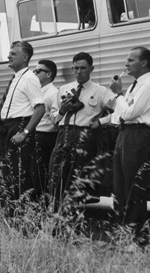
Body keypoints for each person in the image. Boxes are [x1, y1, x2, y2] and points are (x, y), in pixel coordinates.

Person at [49, 52, 118, 209]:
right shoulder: (64, 90)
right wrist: (62, 110)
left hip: (84, 136)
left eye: (83, 68)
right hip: (64, 134)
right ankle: (56, 210)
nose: (79, 72)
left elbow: (118, 111)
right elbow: (53, 119)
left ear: (91, 69)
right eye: (76, 68)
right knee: (57, 173)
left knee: (78, 176)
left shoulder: (100, 91)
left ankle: (75, 213)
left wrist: (101, 122)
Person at [110, 47, 150, 241]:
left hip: (137, 136)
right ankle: (123, 230)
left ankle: (135, 234)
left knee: (133, 185)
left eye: (131, 60)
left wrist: (118, 94)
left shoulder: (148, 86)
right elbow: (120, 115)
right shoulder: (136, 85)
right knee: (120, 184)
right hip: (126, 134)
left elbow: (129, 114)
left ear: (144, 63)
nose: (126, 64)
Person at [0, 41, 45, 203]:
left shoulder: (29, 78)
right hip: (8, 127)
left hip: (19, 126)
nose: (9, 56)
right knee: (3, 171)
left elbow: (40, 108)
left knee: (17, 173)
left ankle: (19, 212)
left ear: (25, 57)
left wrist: (25, 133)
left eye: (13, 53)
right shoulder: (17, 78)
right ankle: (6, 209)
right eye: (10, 52)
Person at [31, 60, 60, 201]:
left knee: (40, 174)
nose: (34, 73)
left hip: (46, 137)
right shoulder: (38, 92)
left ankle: (42, 206)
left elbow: (56, 119)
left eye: (38, 71)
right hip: (35, 135)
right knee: (33, 174)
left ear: (48, 74)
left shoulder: (53, 93)